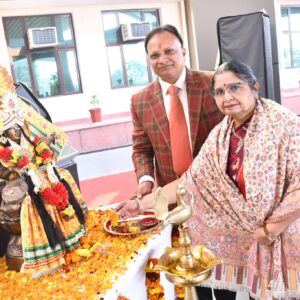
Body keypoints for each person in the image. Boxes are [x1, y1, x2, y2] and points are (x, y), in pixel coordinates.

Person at [117, 60, 300, 300]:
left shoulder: (284, 124)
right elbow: (190, 182)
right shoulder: (221, 133)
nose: (228, 97)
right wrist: (140, 204)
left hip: (280, 235)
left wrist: (271, 229)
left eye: (235, 87)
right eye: (220, 91)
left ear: (254, 87)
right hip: (252, 235)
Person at [0, 65, 87, 274]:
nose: (14, 132)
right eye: (9, 129)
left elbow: (40, 146)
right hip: (17, 182)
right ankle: (43, 255)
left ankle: (68, 241)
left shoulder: (26, 132)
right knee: (31, 196)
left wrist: (45, 156)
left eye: (16, 128)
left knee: (60, 177)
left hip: (37, 174)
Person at [131, 24, 223, 199]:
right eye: (155, 55)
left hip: (218, 189)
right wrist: (146, 179)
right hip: (172, 195)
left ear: (183, 52)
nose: (162, 59)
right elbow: (142, 148)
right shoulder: (140, 100)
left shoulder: (213, 83)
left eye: (169, 51)